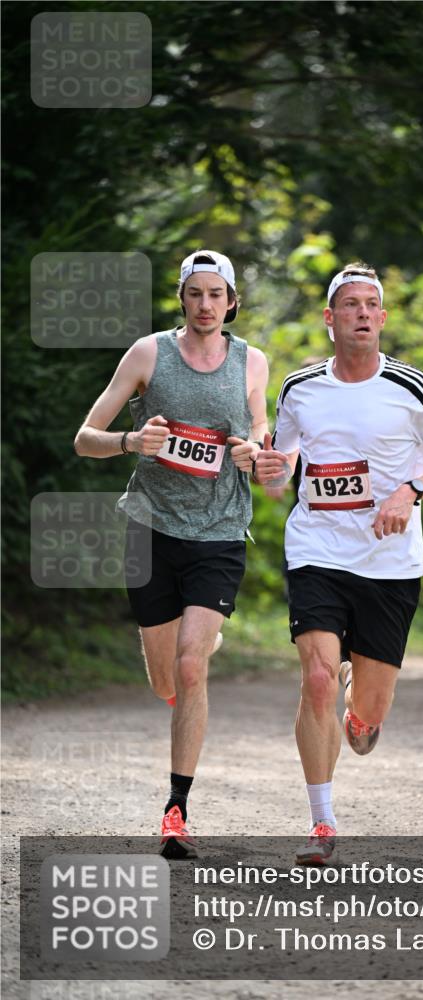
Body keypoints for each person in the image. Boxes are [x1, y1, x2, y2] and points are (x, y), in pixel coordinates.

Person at [254, 262, 423, 864]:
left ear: (382, 318)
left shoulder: (412, 387)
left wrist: (411, 490)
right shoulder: (300, 388)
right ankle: (321, 826)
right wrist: (272, 470)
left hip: (389, 564)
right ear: (330, 319)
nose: (360, 313)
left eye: (370, 305)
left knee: (367, 717)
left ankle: (361, 711)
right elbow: (283, 465)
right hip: (317, 550)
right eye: (348, 304)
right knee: (317, 679)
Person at [74, 250, 268, 857]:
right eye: (196, 294)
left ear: (231, 301)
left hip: (220, 531)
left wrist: (252, 450)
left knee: (190, 665)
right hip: (151, 527)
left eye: (217, 294)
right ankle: (193, 654)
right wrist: (135, 439)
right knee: (167, 677)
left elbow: (262, 430)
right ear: (182, 299)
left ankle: (176, 810)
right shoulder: (148, 354)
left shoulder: (251, 361)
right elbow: (85, 439)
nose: (206, 305)